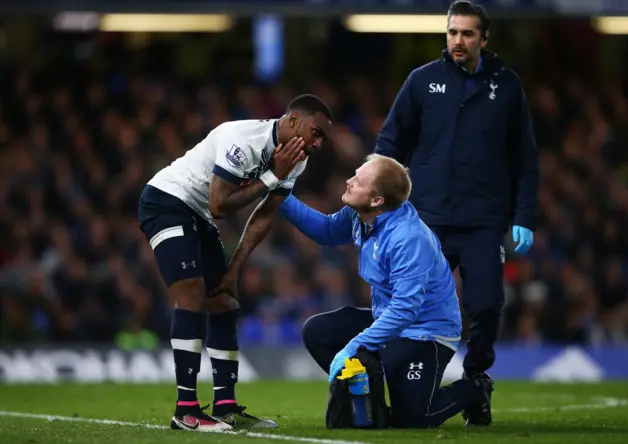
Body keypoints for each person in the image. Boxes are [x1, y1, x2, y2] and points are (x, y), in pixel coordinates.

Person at [374, 0, 539, 426]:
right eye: (452, 33)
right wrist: (376, 197)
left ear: (484, 39)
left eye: (467, 34)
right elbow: (390, 145)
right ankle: (406, 388)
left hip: (484, 220)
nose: (458, 41)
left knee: (485, 306)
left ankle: (476, 380)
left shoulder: (507, 86)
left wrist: (523, 214)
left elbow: (525, 157)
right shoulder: (422, 81)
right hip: (426, 221)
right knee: (408, 306)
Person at [138, 94, 333, 431]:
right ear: (292, 121)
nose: (318, 144)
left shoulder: (295, 160)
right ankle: (186, 410)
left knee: (224, 301)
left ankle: (226, 406)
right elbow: (219, 204)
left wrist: (234, 271)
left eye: (323, 138)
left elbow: (264, 217)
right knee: (192, 293)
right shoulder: (243, 140)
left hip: (197, 213)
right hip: (167, 201)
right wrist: (272, 175)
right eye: (315, 132)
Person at [280, 154, 493, 429]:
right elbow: (328, 231)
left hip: (426, 332)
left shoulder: (408, 238)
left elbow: (406, 309)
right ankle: (368, 401)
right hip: (390, 319)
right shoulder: (362, 214)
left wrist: (353, 347)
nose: (349, 181)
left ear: (377, 200)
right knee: (317, 331)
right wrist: (280, 197)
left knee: (415, 420)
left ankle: (476, 388)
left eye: (358, 180)